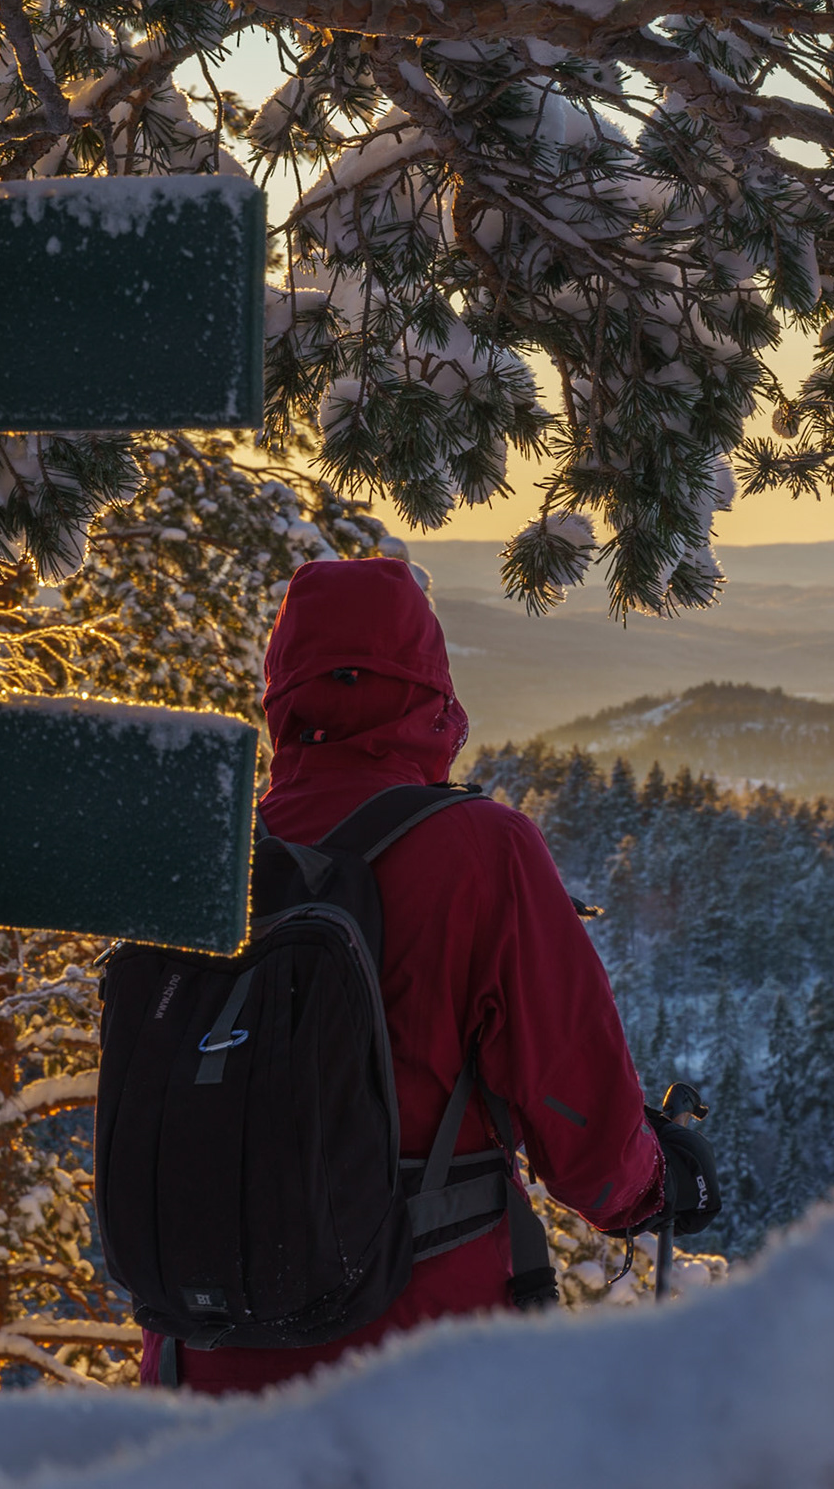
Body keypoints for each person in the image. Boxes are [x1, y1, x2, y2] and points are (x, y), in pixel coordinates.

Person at [137, 555, 714, 1393]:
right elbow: (576, 1106)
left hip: (200, 1364)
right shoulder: (483, 850)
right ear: (430, 691)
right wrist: (656, 1188)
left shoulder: (207, 851)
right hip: (419, 1371)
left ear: (282, 692)